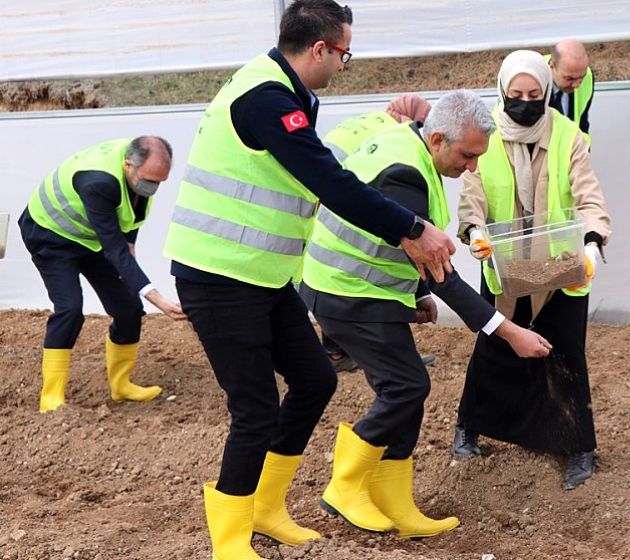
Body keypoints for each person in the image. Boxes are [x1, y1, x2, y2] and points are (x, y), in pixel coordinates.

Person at [161, 2, 455, 558]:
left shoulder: (293, 93)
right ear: (319, 49)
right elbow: (329, 180)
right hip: (218, 276)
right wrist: (411, 227)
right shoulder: (265, 98)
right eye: (345, 53)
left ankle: (267, 509)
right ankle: (230, 540)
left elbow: (321, 174)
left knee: (316, 380)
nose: (347, 64)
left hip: (262, 277)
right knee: (254, 409)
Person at [299, 90, 551, 538]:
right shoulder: (406, 174)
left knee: (407, 390)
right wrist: (508, 331)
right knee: (406, 386)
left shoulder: (410, 150)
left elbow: (398, 243)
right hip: (348, 294)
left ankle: (396, 502)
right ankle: (345, 485)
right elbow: (442, 273)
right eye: (468, 155)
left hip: (356, 289)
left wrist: (413, 293)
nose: (472, 167)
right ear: (437, 138)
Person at [453, 50, 611, 491]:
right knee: (494, 349)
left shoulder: (567, 136)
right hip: (504, 266)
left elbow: (589, 196)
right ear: (503, 91)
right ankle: (468, 427)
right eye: (516, 94)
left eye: (535, 94)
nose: (525, 102)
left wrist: (593, 242)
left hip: (561, 269)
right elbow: (473, 195)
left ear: (546, 91)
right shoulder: (485, 135)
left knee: (565, 353)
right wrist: (474, 231)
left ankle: (579, 447)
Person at [18, 136, 186, 414]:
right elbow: (114, 249)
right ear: (128, 165)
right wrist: (159, 299)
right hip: (50, 234)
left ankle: (121, 385)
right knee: (70, 308)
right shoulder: (99, 181)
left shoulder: (139, 179)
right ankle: (51, 398)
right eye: (149, 180)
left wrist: (132, 279)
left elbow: (128, 233)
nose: (153, 187)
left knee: (129, 308)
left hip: (91, 237)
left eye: (160, 182)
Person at [319, 94, 437, 372]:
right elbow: (405, 232)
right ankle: (347, 352)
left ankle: (339, 351)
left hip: (319, 187)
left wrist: (419, 293)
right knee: (349, 265)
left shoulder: (375, 120)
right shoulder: (398, 141)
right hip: (323, 194)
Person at [545, 40, 594, 144]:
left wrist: (584, 154)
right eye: (569, 78)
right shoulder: (532, 82)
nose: (577, 85)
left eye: (581, 77)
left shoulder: (588, 77)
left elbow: (582, 124)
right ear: (552, 66)